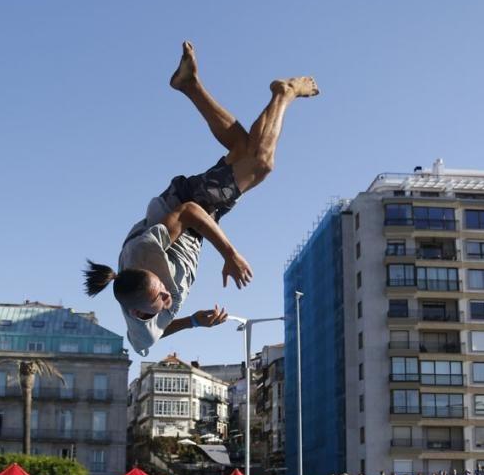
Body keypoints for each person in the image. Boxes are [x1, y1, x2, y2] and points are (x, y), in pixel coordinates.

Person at [83, 41, 319, 355]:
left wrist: (229, 254)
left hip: (184, 204)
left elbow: (189, 210)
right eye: (162, 299)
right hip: (197, 229)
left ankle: (284, 92)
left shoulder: (145, 252)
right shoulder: (141, 330)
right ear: (139, 314)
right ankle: (190, 85)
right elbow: (157, 331)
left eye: (160, 291)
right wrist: (193, 321)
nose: (167, 297)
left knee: (260, 165)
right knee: (242, 149)